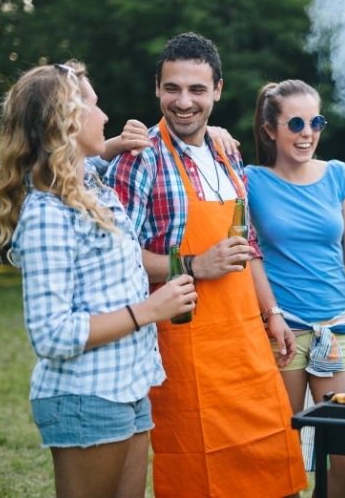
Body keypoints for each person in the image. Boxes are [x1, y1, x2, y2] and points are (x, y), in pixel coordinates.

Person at [105, 33, 307, 497]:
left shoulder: (227, 152)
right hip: (185, 347)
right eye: (172, 88)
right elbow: (117, 257)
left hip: (246, 344)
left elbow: (247, 243)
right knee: (201, 480)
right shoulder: (140, 158)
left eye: (197, 90)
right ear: (157, 88)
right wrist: (195, 263)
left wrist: (272, 313)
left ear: (217, 90)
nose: (183, 102)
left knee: (276, 473)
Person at [0, 61, 197, 497]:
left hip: (129, 386)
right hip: (86, 397)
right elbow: (51, 334)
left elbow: (86, 161)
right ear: (65, 120)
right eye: (94, 107)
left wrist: (114, 146)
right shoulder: (48, 215)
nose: (105, 117)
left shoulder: (90, 187)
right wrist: (149, 311)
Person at [247, 79, 345, 497]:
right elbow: (248, 253)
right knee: (282, 461)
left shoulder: (338, 175)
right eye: (294, 123)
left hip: (338, 328)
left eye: (314, 121)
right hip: (283, 332)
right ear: (270, 130)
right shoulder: (250, 181)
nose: (307, 132)